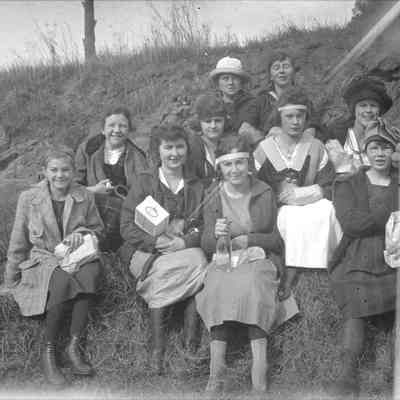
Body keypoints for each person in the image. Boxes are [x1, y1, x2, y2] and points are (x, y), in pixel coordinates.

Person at [4, 146, 104, 387]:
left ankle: (73, 347)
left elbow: (97, 229)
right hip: (43, 259)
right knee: (62, 282)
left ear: (74, 172)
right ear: (45, 171)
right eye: (54, 170)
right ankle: (48, 352)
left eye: (65, 170)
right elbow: (18, 240)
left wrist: (82, 233)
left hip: (75, 256)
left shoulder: (84, 196)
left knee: (90, 274)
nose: (60, 175)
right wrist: (11, 279)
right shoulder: (29, 199)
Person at [196, 135, 283, 394]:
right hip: (226, 258)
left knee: (254, 286)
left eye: (239, 163)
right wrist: (215, 235)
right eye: (227, 164)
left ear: (249, 164)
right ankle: (217, 371)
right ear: (219, 167)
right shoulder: (213, 194)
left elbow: (276, 239)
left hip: (257, 256)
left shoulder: (263, 192)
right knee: (216, 286)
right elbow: (206, 243)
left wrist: (249, 239)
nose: (234, 170)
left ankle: (259, 370)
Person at [120, 124, 207, 375]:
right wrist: (154, 242)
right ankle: (158, 348)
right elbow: (126, 225)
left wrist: (184, 242)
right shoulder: (144, 181)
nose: (174, 153)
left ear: (187, 150)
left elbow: (205, 226)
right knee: (186, 267)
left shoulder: (197, 185)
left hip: (184, 251)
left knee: (198, 262)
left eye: (180, 147)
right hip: (147, 252)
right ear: (158, 151)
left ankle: (190, 343)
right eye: (168, 147)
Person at [329, 120, 399, 397]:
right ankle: (347, 375)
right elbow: (351, 223)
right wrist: (389, 217)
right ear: (366, 151)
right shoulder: (349, 183)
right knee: (356, 299)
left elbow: (364, 220)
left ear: (394, 151)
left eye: (386, 148)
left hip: (394, 254)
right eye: (374, 148)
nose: (380, 154)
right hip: (358, 254)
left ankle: (390, 369)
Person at [254, 87, 341, 298]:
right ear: (280, 118)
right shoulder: (264, 149)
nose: (295, 122)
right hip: (278, 207)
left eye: (300, 116)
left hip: (309, 202)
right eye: (289, 116)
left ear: (306, 118)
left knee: (327, 209)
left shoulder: (315, 146)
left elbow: (329, 183)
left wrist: (308, 193)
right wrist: (279, 196)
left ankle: (322, 262)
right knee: (290, 216)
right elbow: (255, 186)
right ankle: (291, 267)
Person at [75, 106, 148, 251]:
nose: (117, 130)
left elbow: (144, 192)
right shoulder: (88, 149)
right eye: (111, 125)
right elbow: (72, 186)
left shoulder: (138, 157)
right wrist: (94, 190)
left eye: (122, 126)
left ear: (129, 130)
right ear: (103, 129)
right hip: (89, 208)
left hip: (123, 213)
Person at [325, 76, 396, 174]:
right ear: (354, 109)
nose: (368, 110)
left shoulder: (388, 139)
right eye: (363, 105)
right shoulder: (336, 136)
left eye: (373, 106)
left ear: (379, 111)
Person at [256, 51, 321, 137]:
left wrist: (310, 130)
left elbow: (314, 124)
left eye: (286, 66)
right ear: (270, 76)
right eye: (276, 68)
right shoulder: (261, 101)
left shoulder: (303, 99)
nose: (281, 71)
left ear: (293, 73)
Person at [209, 56, 264, 146]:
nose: (230, 83)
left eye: (235, 78)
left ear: (241, 82)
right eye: (225, 78)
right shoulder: (211, 105)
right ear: (218, 83)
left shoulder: (255, 103)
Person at [188, 93, 229, 187]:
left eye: (218, 121)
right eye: (208, 121)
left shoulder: (232, 144)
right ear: (199, 122)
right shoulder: (192, 148)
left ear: (225, 121)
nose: (213, 126)